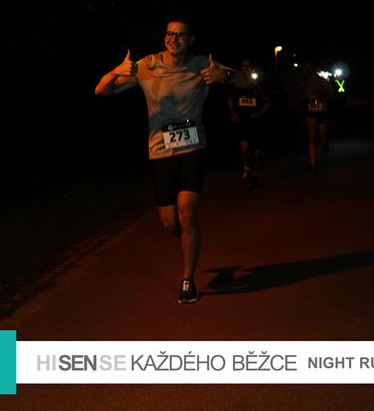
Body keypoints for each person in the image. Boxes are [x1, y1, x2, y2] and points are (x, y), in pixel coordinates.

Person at [94, 16, 232, 304]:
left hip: (193, 148)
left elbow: (250, 80)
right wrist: (115, 72)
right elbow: (101, 91)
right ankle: (186, 234)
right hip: (159, 152)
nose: (173, 38)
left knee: (187, 209)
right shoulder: (147, 66)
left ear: (190, 40)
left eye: (180, 35)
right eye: (170, 33)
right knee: (170, 222)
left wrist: (226, 76)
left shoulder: (202, 65)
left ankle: (188, 280)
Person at [226, 60, 271, 189]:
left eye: (249, 67)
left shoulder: (258, 84)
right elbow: (229, 97)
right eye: (244, 66)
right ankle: (246, 169)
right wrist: (233, 112)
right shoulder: (237, 84)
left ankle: (255, 176)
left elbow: (268, 101)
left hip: (255, 122)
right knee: (244, 148)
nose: (246, 69)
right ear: (241, 68)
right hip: (242, 121)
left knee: (256, 153)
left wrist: (259, 113)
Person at [301, 62, 336, 175]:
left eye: (308, 68)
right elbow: (303, 95)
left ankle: (324, 143)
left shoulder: (321, 81)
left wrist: (323, 96)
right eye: (304, 69)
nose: (306, 71)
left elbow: (332, 93)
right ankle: (314, 166)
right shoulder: (304, 83)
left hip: (322, 112)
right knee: (311, 139)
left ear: (313, 69)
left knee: (322, 138)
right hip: (310, 112)